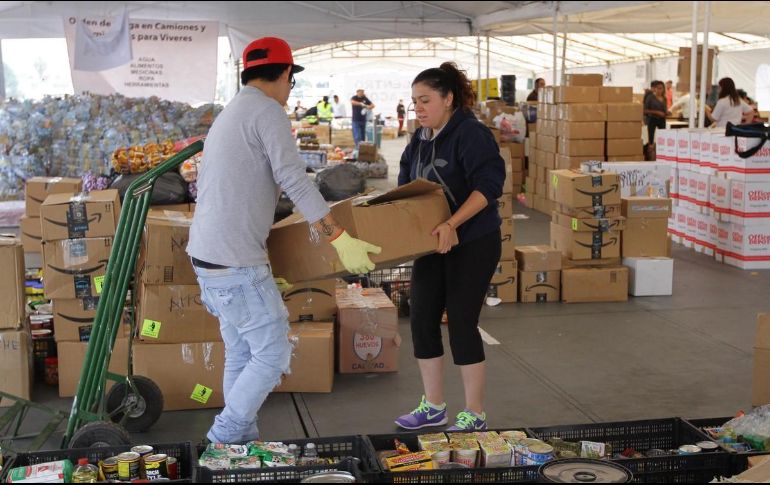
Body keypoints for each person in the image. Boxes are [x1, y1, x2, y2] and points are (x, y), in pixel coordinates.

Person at [186, 36, 381, 445]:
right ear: (286, 74)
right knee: (273, 355)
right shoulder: (267, 111)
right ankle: (223, 440)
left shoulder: (231, 112)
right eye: (292, 80)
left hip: (209, 258)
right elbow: (293, 180)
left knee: (242, 351)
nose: (291, 89)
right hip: (235, 262)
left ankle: (240, 442)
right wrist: (338, 237)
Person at [394, 62, 505, 432]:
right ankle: (434, 406)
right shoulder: (419, 139)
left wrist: (452, 223)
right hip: (431, 245)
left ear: (448, 98)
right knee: (422, 319)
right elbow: (405, 185)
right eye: (414, 102)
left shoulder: (471, 134)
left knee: (461, 322)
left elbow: (489, 186)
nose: (418, 108)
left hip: (473, 242)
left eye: (425, 100)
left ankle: (474, 412)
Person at [644, 80, 668, 147]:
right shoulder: (650, 97)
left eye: (661, 88)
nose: (659, 90)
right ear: (655, 88)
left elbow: (664, 110)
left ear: (663, 89)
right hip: (652, 119)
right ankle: (651, 153)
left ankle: (661, 151)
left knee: (663, 137)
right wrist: (657, 112)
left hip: (662, 120)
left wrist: (667, 112)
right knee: (651, 138)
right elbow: (645, 110)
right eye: (658, 88)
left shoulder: (664, 98)